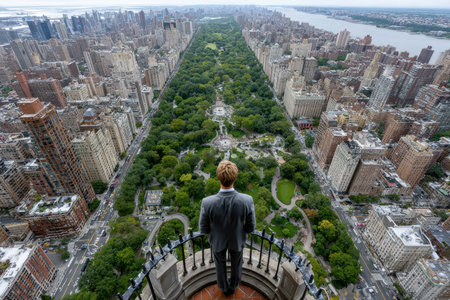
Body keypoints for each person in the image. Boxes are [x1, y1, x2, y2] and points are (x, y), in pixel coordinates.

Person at [199, 160, 256, 297]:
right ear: (235, 177)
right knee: (237, 265)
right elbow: (250, 227)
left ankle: (224, 288)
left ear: (218, 177)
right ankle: (234, 286)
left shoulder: (207, 203)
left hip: (218, 240)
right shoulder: (247, 200)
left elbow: (204, 229)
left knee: (220, 265)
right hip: (237, 239)